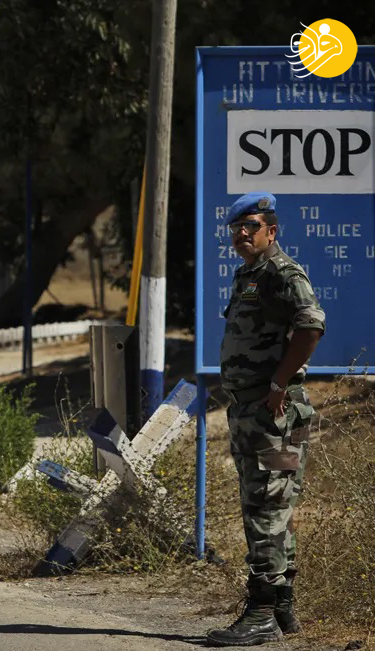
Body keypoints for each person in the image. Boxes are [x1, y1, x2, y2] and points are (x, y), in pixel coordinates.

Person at [207, 193, 325, 647]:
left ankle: (259, 613)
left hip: (271, 412)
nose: (241, 234)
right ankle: (283, 609)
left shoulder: (282, 273)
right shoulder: (249, 274)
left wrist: (278, 382)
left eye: (250, 226)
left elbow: (311, 326)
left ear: (270, 231)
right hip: (251, 412)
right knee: (276, 510)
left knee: (265, 511)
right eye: (236, 227)